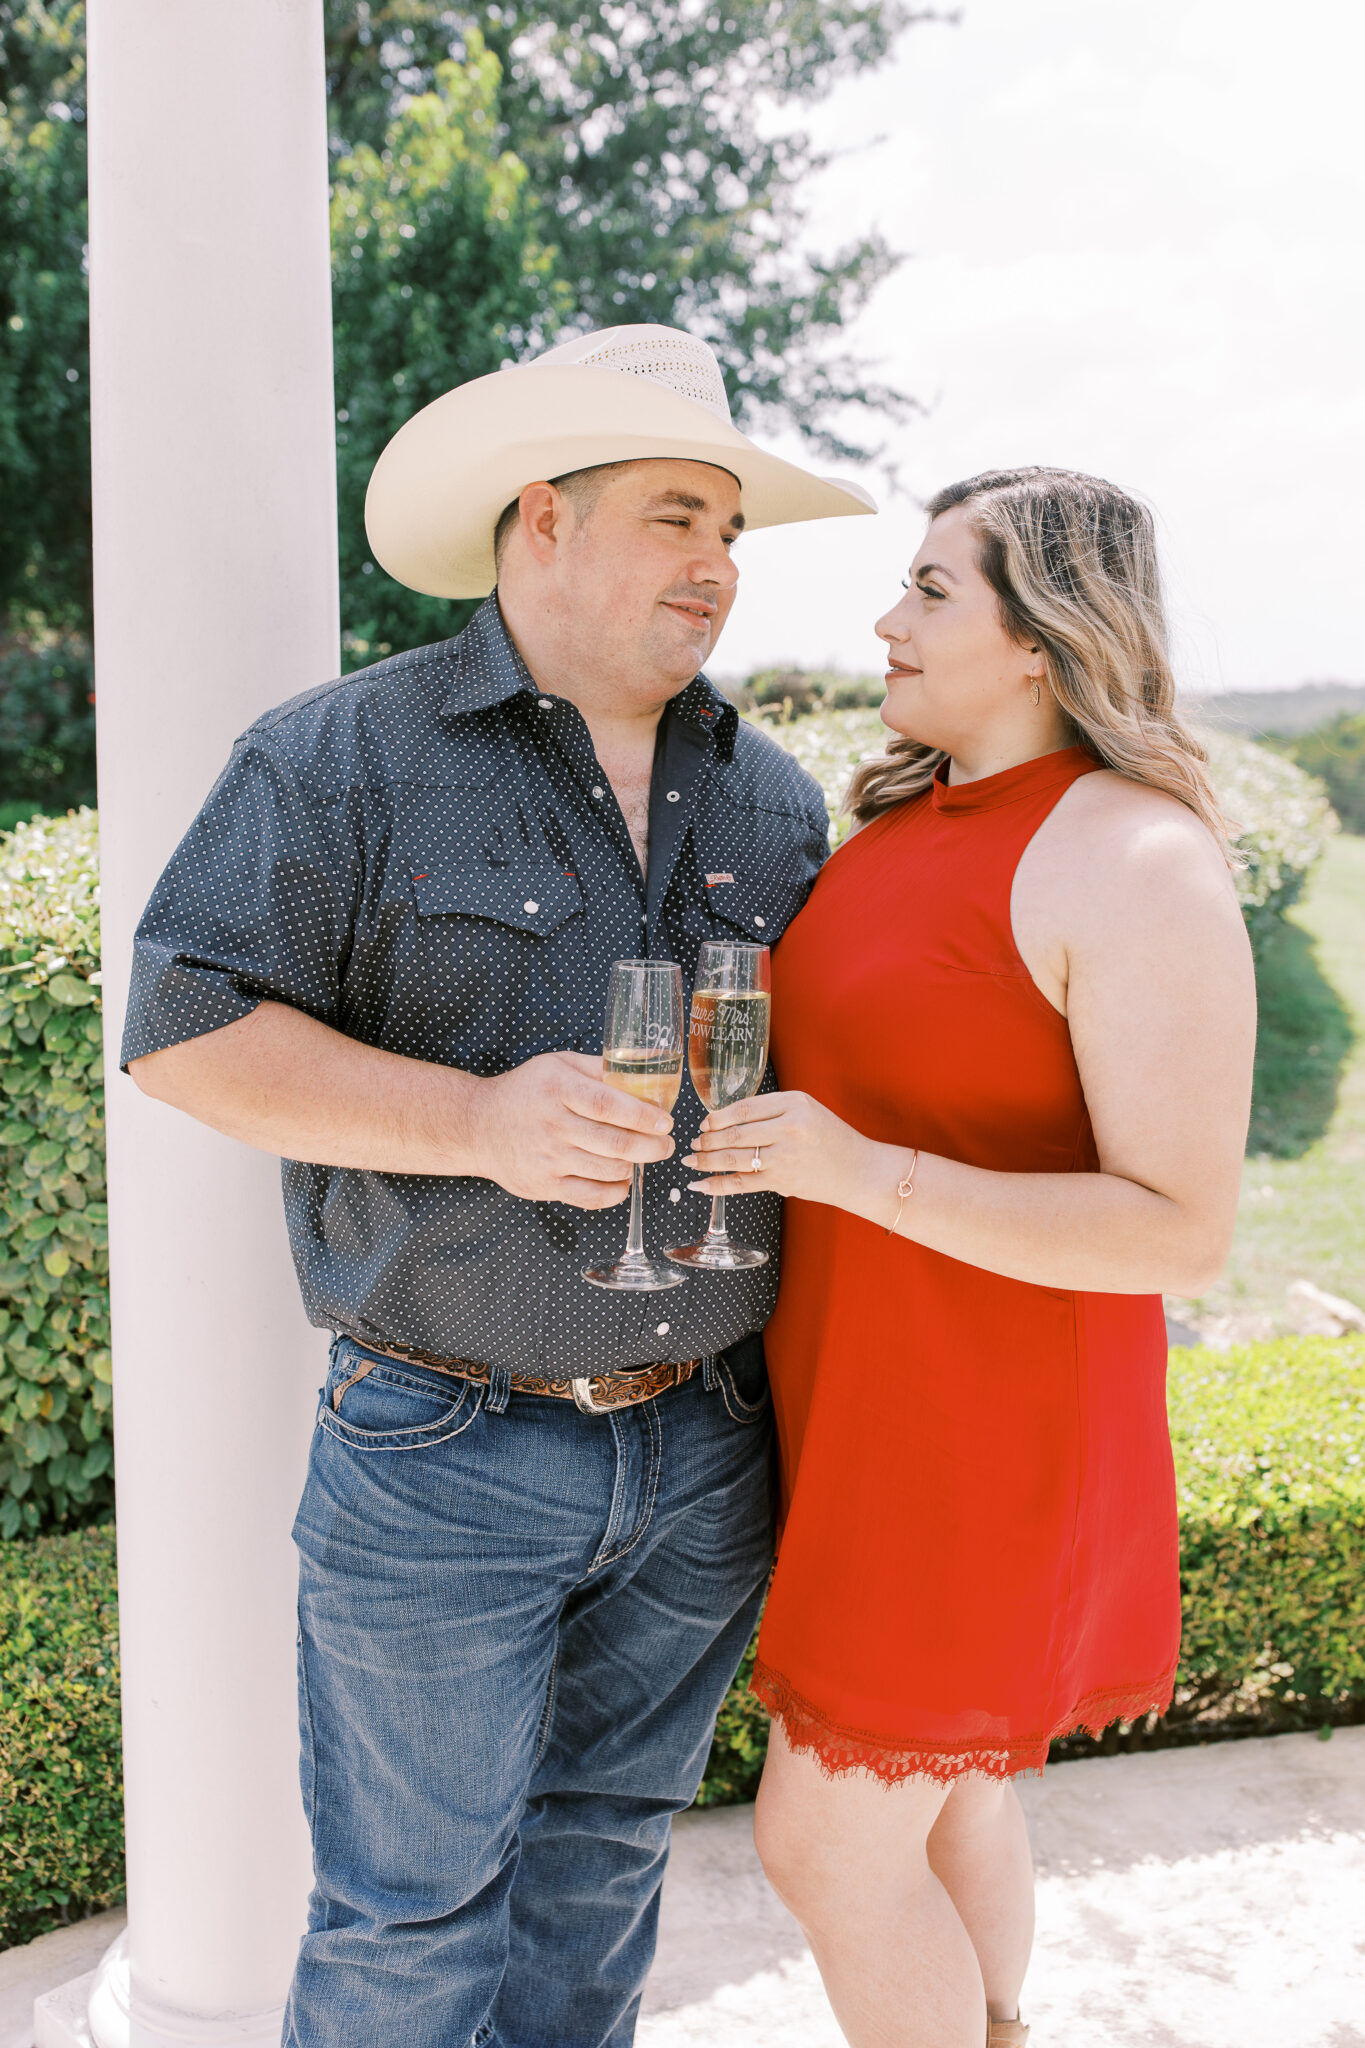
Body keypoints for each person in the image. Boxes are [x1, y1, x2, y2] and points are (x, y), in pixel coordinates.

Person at [120, 323, 874, 2048]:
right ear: (543, 519)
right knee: (408, 1918)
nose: (719, 566)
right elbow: (180, 1031)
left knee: (603, 1871)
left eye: (734, 534)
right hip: (442, 1446)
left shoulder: (771, 792)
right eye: (680, 517)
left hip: (705, 1444)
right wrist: (475, 1122)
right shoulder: (343, 756)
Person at [685, 467, 1257, 2048]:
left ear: (1042, 634)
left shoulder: (1135, 859)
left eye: (933, 589)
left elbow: (1181, 1228)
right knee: (948, 1812)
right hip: (862, 1408)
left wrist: (862, 1174)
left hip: (989, 1439)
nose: (886, 619)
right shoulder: (895, 821)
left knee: (824, 1840)